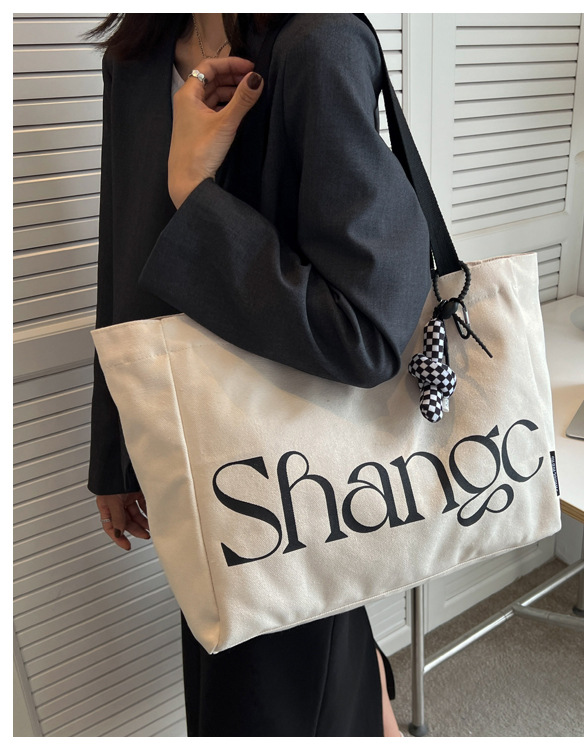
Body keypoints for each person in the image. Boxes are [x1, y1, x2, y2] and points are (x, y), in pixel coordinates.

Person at [86, 13, 431, 737]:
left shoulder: (317, 43)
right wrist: (114, 448)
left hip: (293, 463)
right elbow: (122, 249)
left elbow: (366, 332)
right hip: (192, 434)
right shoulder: (137, 56)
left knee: (261, 698)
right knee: (239, 652)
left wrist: (194, 191)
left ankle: (376, 710)